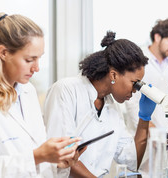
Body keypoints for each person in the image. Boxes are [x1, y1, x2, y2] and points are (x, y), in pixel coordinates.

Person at [0, 13, 84, 178]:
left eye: (39, 58)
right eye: (29, 59)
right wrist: (37, 156)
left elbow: (36, 163)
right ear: (3, 53)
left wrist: (58, 164)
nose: (36, 68)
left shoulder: (28, 91)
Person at [43, 31, 156, 177]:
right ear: (114, 75)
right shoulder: (66, 90)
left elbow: (132, 161)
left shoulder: (112, 107)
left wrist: (144, 119)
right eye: (134, 83)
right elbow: (62, 154)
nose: (135, 90)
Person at [124, 17, 168, 135]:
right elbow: (131, 100)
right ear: (157, 37)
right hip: (142, 130)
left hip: (167, 130)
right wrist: (148, 126)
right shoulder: (138, 60)